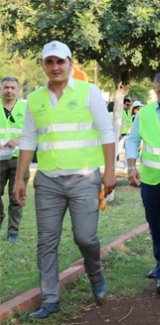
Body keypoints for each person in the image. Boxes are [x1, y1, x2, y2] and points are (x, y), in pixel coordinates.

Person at [12, 40, 116, 319]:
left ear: (70, 63)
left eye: (61, 61)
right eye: (50, 62)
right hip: (48, 182)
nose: (55, 67)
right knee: (46, 241)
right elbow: (28, 140)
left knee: (86, 237)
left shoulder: (88, 92)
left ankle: (95, 273)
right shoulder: (34, 99)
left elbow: (106, 132)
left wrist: (108, 170)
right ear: (44, 65)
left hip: (84, 179)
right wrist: (20, 179)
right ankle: (50, 299)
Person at [125, 71, 160, 294]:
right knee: (154, 223)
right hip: (149, 179)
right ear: (155, 90)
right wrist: (131, 166)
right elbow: (132, 140)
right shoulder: (145, 113)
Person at [0, 76, 30, 243]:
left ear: (18, 90)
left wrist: (17, 141)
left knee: (16, 196)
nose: (9, 91)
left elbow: (33, 133)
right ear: (1, 89)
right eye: (6, 87)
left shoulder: (26, 108)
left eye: (13, 88)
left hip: (19, 158)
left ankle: (13, 232)